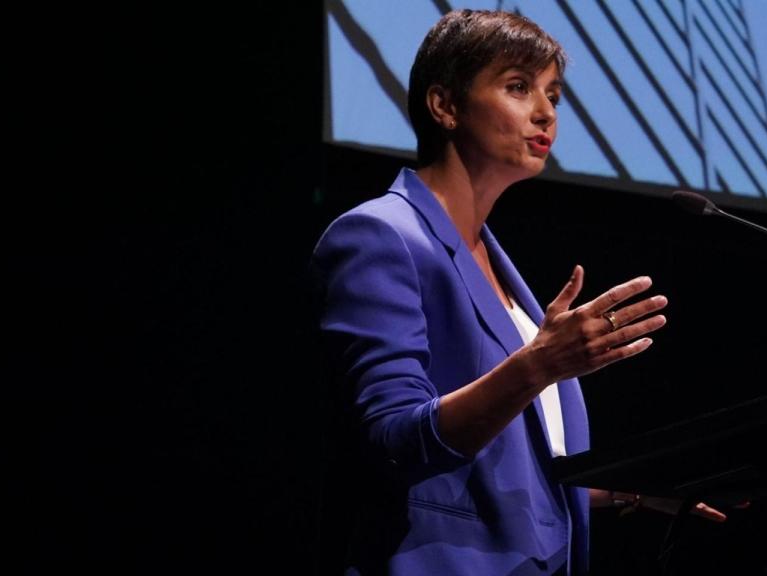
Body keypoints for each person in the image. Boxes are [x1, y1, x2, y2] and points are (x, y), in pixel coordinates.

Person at [310, 9, 725, 576]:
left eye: (553, 93)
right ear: (445, 106)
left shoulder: (498, 265)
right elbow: (394, 440)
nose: (546, 111)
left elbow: (508, 472)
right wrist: (538, 365)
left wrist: (630, 491)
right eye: (518, 87)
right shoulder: (381, 236)